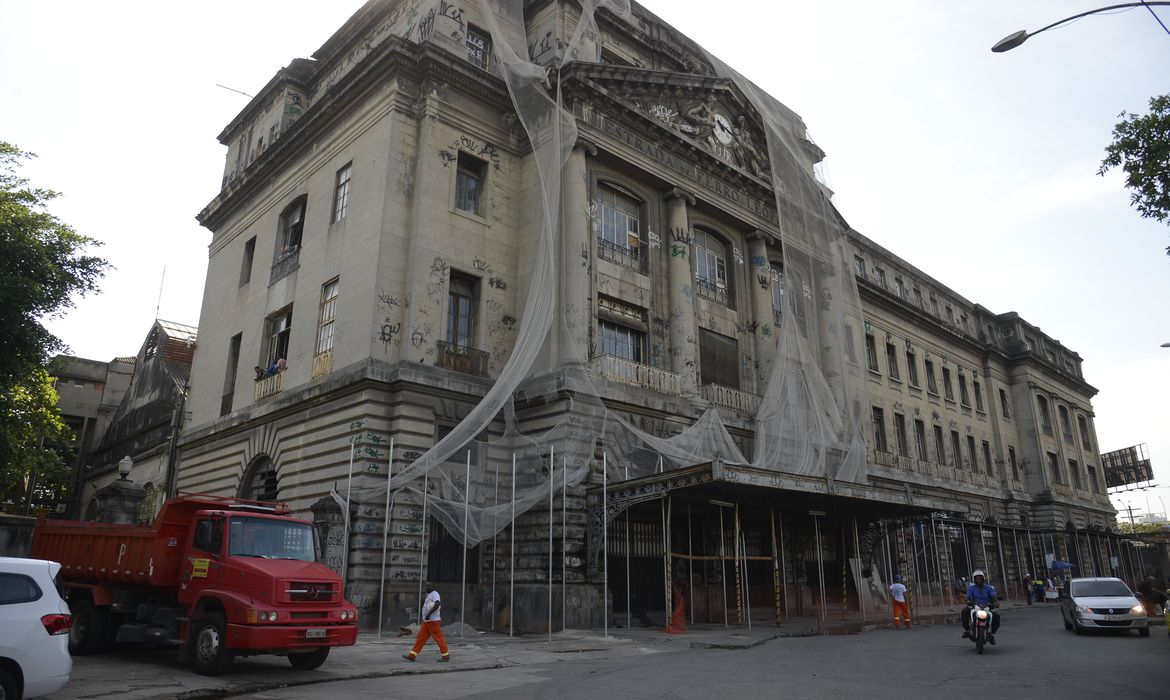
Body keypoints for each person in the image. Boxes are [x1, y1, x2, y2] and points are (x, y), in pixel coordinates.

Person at [404, 582, 449, 662]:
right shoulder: (430, 594)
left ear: (433, 587)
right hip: (427, 621)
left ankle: (445, 656)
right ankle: (412, 655)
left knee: (438, 638)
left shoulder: (435, 594)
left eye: (428, 586)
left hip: (433, 621)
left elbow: (437, 603)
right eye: (426, 586)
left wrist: (429, 614)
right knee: (421, 638)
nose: (426, 587)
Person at [960, 570, 1000, 644]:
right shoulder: (971, 588)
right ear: (974, 580)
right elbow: (968, 597)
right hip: (975, 606)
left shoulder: (989, 588)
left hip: (987, 607)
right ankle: (967, 630)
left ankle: (992, 634)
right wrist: (967, 600)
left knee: (997, 616)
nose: (979, 580)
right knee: (964, 612)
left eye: (980, 578)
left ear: (983, 579)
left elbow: (994, 595)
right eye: (977, 579)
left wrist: (996, 602)